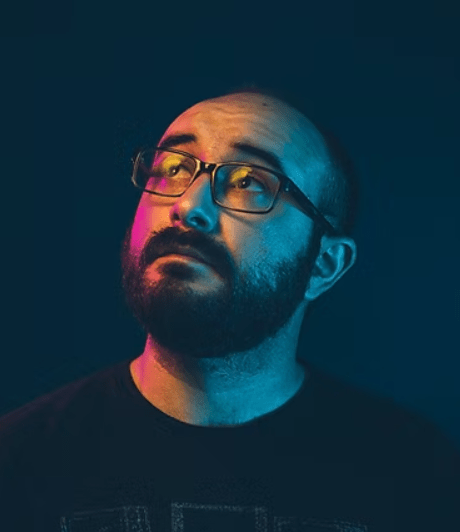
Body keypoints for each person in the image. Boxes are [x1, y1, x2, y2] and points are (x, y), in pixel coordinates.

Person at [0, 88, 458, 531]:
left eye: (248, 181)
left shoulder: (419, 481)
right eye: (174, 167)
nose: (188, 206)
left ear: (323, 265)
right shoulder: (18, 463)